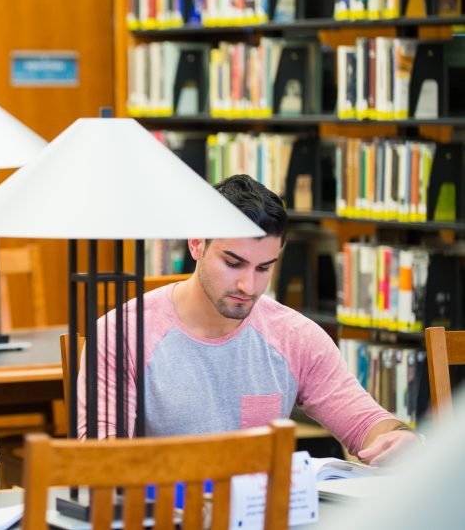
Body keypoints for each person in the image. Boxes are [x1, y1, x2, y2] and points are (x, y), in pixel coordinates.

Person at [78, 174, 419, 465]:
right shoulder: (123, 332)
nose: (248, 286)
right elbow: (100, 455)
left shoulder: (293, 335)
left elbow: (364, 423)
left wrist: (400, 439)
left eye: (264, 268)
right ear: (197, 243)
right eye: (233, 263)